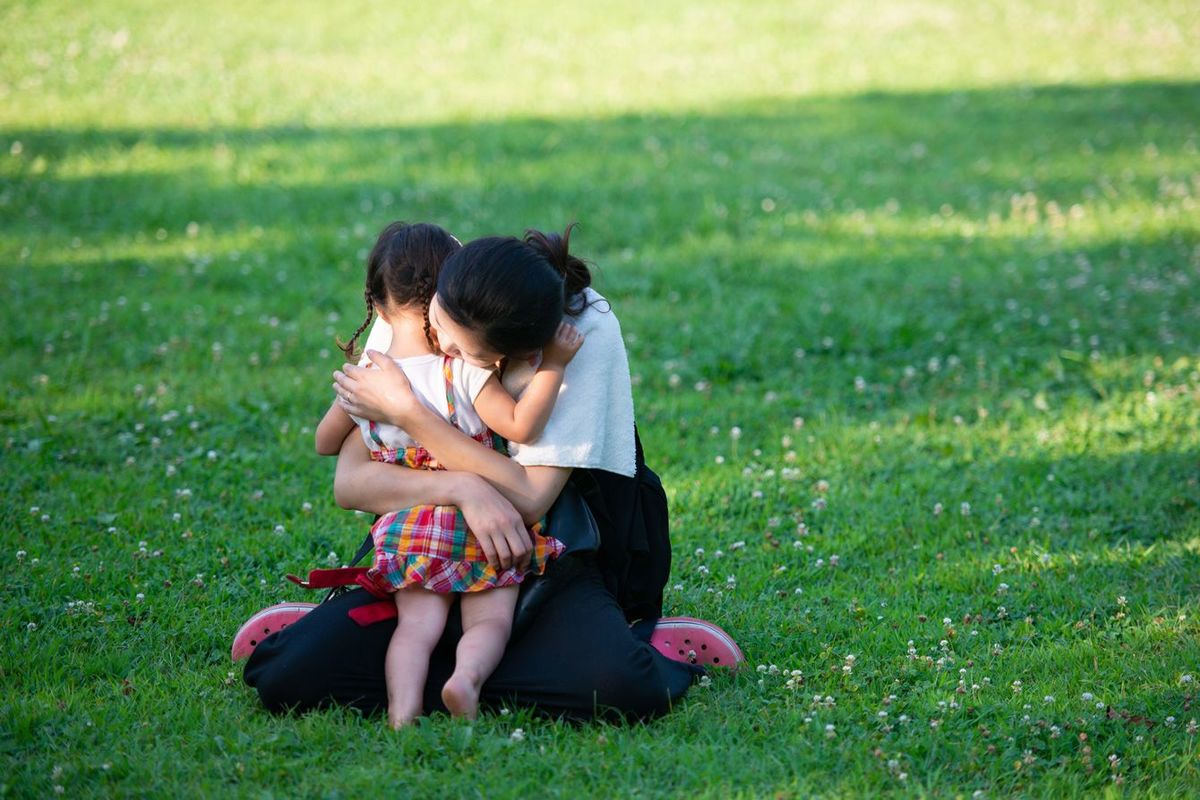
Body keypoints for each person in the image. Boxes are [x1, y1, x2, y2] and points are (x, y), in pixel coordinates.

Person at [243, 225, 736, 720]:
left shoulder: (578, 333)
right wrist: (461, 488)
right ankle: (492, 669)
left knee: (621, 686)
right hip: (426, 544)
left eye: (466, 353)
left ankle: (572, 649)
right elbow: (350, 481)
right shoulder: (427, 296)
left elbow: (529, 500)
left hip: (542, 555)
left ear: (518, 356)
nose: (442, 346)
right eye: (440, 326)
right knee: (288, 675)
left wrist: (411, 414)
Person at [311, 220, 584, 727]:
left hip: (413, 522)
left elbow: (325, 444)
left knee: (414, 629)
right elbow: (520, 424)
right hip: (488, 525)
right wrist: (555, 367)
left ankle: (403, 709)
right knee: (490, 622)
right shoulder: (463, 365)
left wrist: (356, 403)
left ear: (375, 300)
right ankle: (465, 681)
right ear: (448, 286)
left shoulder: (370, 377)